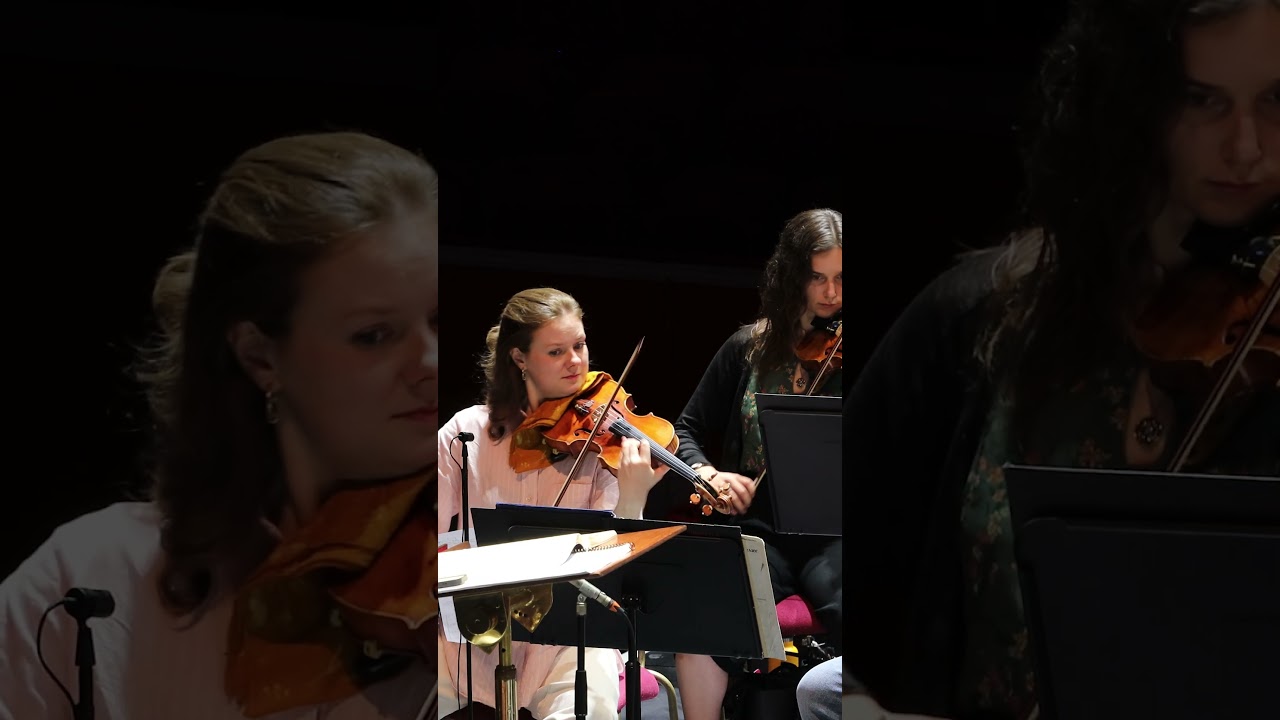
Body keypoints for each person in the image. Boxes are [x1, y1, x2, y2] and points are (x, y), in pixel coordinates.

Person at [846, 1, 1280, 718]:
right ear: (1126, 104)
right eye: (1200, 99)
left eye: (1275, 101)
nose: (1246, 148)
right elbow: (847, 563)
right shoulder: (977, 314)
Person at [0, 131, 439, 720]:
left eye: (441, 319)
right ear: (260, 357)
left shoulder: (481, 572)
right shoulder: (94, 582)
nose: (431, 361)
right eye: (374, 335)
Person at [436, 286, 668, 720]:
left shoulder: (601, 439)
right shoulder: (465, 434)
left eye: (580, 345)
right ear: (519, 358)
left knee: (588, 703)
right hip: (477, 625)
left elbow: (616, 563)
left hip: (572, 631)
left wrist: (634, 497)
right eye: (557, 351)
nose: (576, 361)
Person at [670, 208, 844, 720]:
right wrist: (708, 474)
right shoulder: (749, 347)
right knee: (704, 612)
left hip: (836, 533)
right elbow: (686, 429)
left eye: (841, 278)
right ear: (792, 276)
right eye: (817, 277)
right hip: (759, 529)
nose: (831, 293)